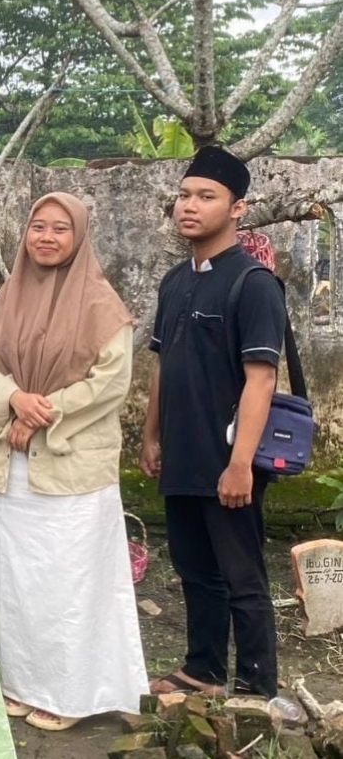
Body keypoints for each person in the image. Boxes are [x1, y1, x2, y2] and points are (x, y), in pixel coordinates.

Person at [0, 192, 148, 731]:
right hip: (14, 466)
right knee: (18, 580)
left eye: (60, 229)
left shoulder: (102, 304)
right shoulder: (10, 295)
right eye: (37, 227)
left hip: (71, 469)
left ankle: (68, 694)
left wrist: (41, 411)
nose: (46, 238)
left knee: (69, 580)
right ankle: (21, 682)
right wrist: (14, 399)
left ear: (79, 238)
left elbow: (109, 384)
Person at [140, 146, 285, 699]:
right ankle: (203, 668)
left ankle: (256, 687)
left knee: (242, 577)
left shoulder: (252, 283)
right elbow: (162, 363)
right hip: (182, 454)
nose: (189, 207)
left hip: (230, 462)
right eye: (183, 196)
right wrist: (152, 436)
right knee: (194, 570)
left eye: (206, 197)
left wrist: (241, 464)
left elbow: (261, 380)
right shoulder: (175, 281)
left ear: (238, 208)